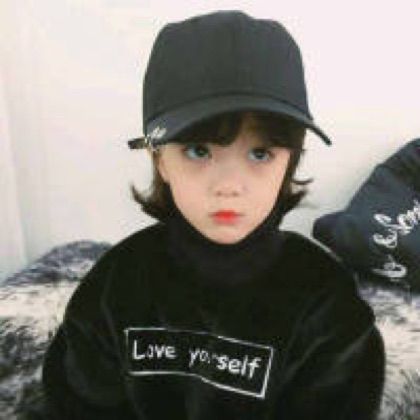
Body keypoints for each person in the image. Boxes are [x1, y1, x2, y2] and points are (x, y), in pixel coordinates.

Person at [36, 10, 385, 420]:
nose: (229, 186)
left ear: (289, 162)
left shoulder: (326, 304)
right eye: (198, 150)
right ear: (159, 160)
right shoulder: (114, 288)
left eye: (260, 153)